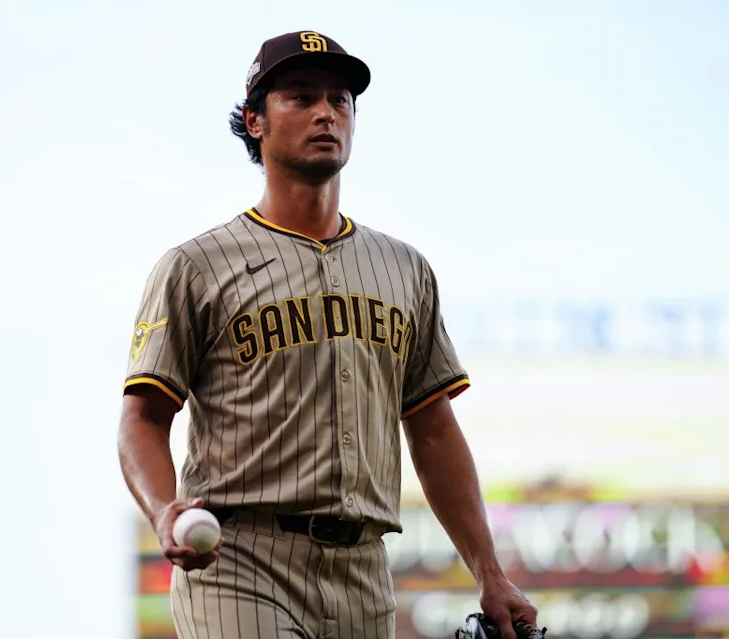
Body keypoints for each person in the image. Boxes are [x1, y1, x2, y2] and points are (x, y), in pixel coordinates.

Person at [117, 29, 537, 639]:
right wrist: (163, 511)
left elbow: (434, 430)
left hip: (364, 571)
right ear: (254, 121)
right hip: (239, 560)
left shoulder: (405, 269)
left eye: (340, 100)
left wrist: (489, 572)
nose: (325, 112)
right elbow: (143, 418)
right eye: (301, 96)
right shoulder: (197, 265)